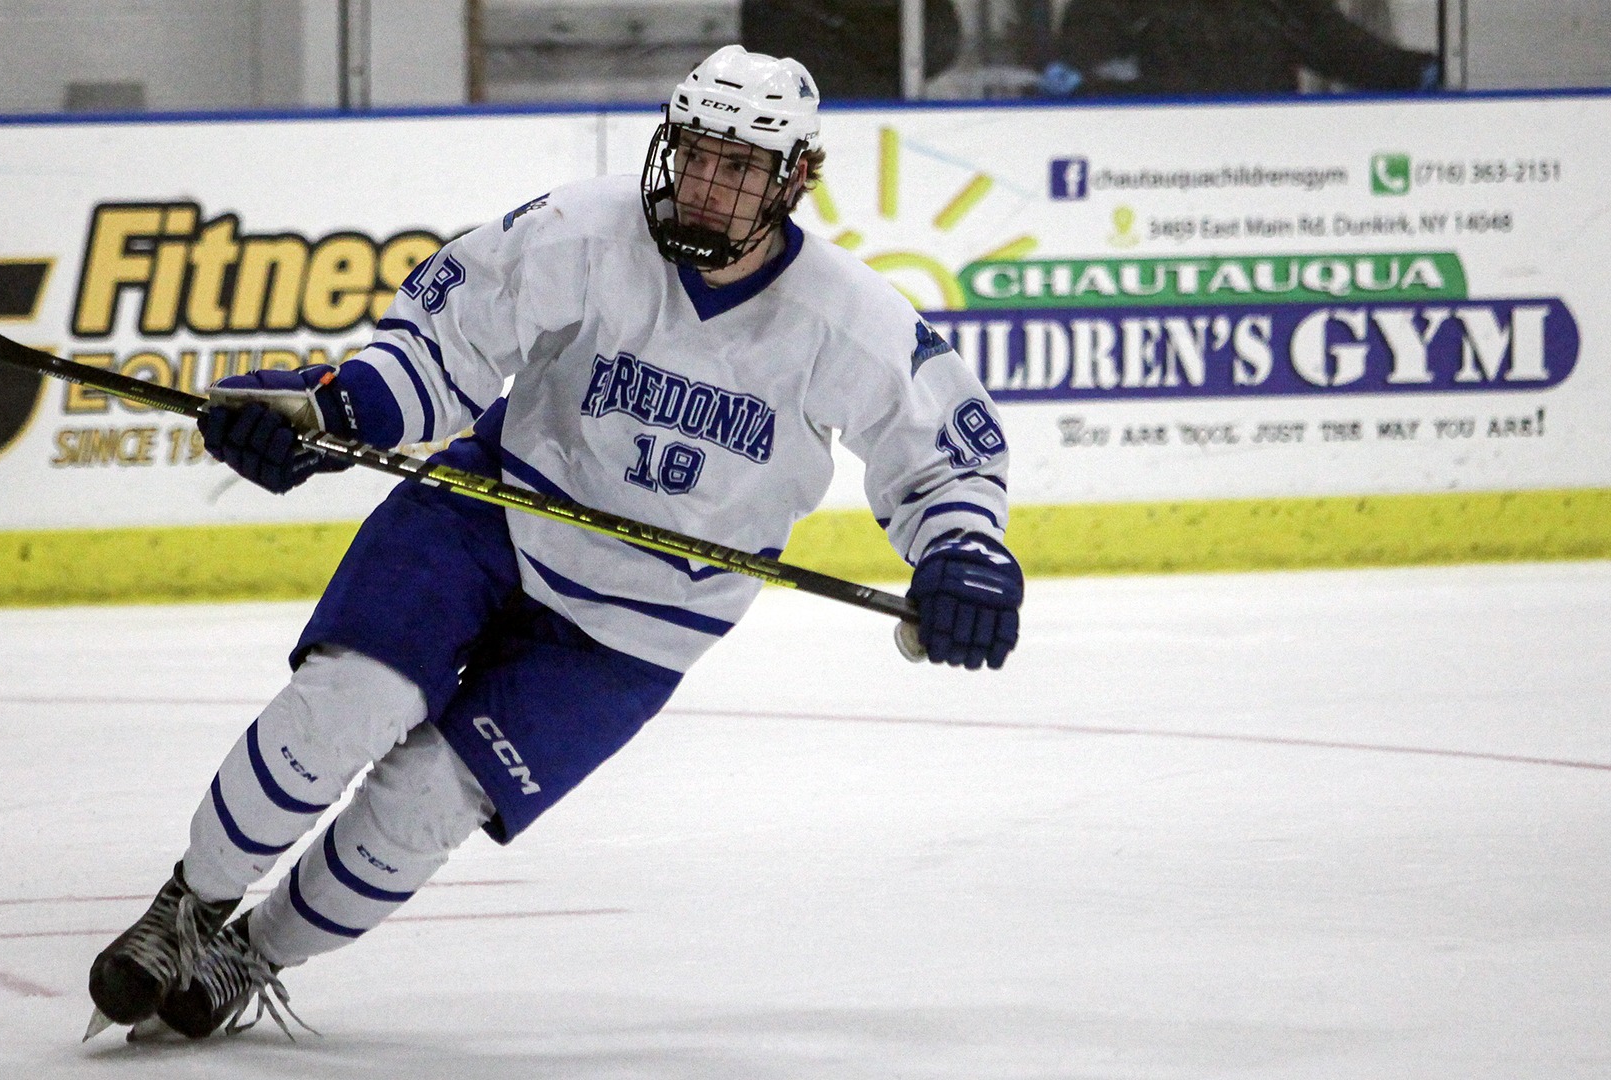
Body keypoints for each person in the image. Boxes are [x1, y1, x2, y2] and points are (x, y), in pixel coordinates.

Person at [83, 43, 1023, 1042]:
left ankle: (252, 954)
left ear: (795, 180)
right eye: (697, 152)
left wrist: (963, 557)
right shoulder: (582, 229)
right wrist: (333, 413)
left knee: (424, 804)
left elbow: (948, 461)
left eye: (741, 166)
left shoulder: (848, 318)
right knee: (350, 701)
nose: (707, 183)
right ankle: (185, 909)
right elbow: (441, 346)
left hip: (646, 621)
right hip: (491, 514)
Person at [1039, 0, 1439, 97]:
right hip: (1163, 149)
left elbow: (1330, 39)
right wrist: (1071, 65)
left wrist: (1408, 72)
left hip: (1266, 148)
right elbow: (1095, 27)